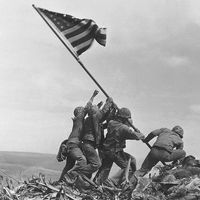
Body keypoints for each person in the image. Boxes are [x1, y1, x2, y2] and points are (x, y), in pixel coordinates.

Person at [93, 107, 145, 185]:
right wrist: (138, 132)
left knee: (106, 168)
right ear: (125, 119)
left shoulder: (111, 123)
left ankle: (97, 183)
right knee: (128, 168)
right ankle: (112, 182)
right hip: (115, 152)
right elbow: (138, 136)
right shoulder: (123, 128)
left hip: (107, 150)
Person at [63, 90, 99, 183]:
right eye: (81, 110)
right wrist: (93, 96)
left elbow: (90, 111)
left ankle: (61, 181)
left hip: (72, 145)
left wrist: (98, 106)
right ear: (79, 112)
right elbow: (87, 108)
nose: (84, 111)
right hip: (73, 145)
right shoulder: (79, 118)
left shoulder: (79, 121)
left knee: (69, 165)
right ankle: (71, 175)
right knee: (82, 160)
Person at [75, 96, 114, 178]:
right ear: (94, 112)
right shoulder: (94, 117)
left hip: (88, 144)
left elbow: (103, 120)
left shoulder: (91, 120)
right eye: (97, 109)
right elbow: (103, 112)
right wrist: (109, 101)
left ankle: (82, 179)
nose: (98, 110)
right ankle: (75, 173)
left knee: (91, 164)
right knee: (96, 164)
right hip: (88, 144)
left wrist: (111, 109)